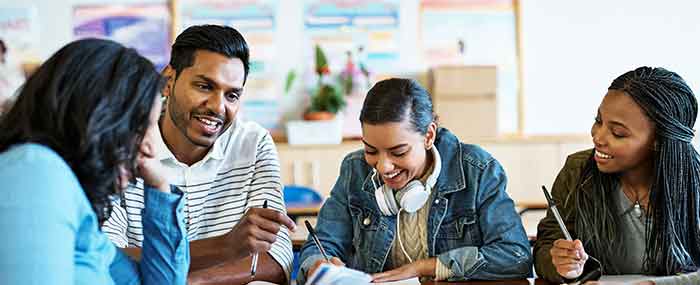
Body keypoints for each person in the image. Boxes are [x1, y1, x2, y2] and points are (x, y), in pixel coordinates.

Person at [101, 25, 295, 284]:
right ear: (168, 81)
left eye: (232, 95)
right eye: (204, 86)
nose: (218, 107)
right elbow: (107, 259)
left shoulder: (253, 143)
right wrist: (226, 246)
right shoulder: (122, 145)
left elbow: (277, 260)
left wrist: (190, 282)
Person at [297, 78, 532, 284]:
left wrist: (425, 267)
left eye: (398, 152)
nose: (383, 166)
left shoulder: (477, 170)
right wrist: (318, 264)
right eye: (371, 150)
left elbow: (515, 256)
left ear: (429, 135)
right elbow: (321, 244)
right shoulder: (354, 169)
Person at [0, 38, 189, 284]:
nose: (151, 147)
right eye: (141, 126)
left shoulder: (73, 202)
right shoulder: (35, 170)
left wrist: (160, 187)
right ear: (98, 118)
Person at [534, 67, 700, 285]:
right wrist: (560, 265)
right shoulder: (577, 171)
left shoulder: (694, 182)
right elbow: (546, 246)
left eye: (618, 133)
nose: (597, 137)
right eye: (598, 121)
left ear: (659, 141)